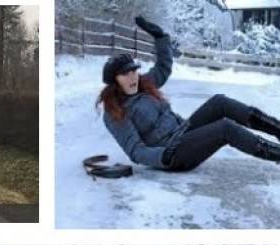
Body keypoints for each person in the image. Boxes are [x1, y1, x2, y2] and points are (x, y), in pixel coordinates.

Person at [97, 16, 280, 171]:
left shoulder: (143, 84)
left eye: (133, 71)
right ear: (114, 82)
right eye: (124, 74)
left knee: (219, 102)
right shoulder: (114, 110)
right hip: (171, 154)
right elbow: (135, 151)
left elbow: (163, 67)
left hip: (182, 132)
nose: (132, 77)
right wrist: (163, 155)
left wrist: (161, 38)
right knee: (224, 128)